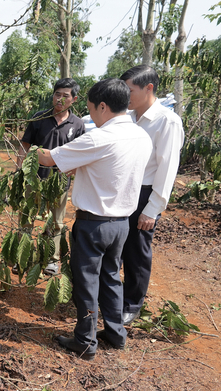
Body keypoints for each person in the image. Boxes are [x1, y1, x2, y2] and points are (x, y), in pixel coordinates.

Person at [37, 78, 152, 360]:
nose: (91, 115)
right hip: (121, 223)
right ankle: (115, 334)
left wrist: (28, 151)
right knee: (111, 277)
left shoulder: (99, 137)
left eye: (91, 108)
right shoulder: (141, 136)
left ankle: (85, 341)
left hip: (94, 224)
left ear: (102, 106)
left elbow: (50, 159)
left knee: (87, 281)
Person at [119, 65, 185, 325]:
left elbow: (168, 168)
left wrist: (152, 208)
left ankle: (132, 304)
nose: (126, 97)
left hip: (144, 194)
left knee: (137, 251)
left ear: (149, 88)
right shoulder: (128, 117)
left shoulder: (167, 121)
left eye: (130, 91)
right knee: (118, 247)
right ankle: (114, 298)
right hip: (124, 191)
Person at [19, 78, 86, 275]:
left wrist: (72, 172)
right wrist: (19, 172)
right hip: (34, 179)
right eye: (57, 94)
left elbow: (81, 153)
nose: (60, 99)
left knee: (56, 222)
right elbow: (24, 146)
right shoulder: (39, 117)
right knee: (26, 218)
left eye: (66, 96)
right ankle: (22, 255)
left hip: (60, 182)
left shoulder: (78, 124)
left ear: (73, 99)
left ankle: (52, 259)